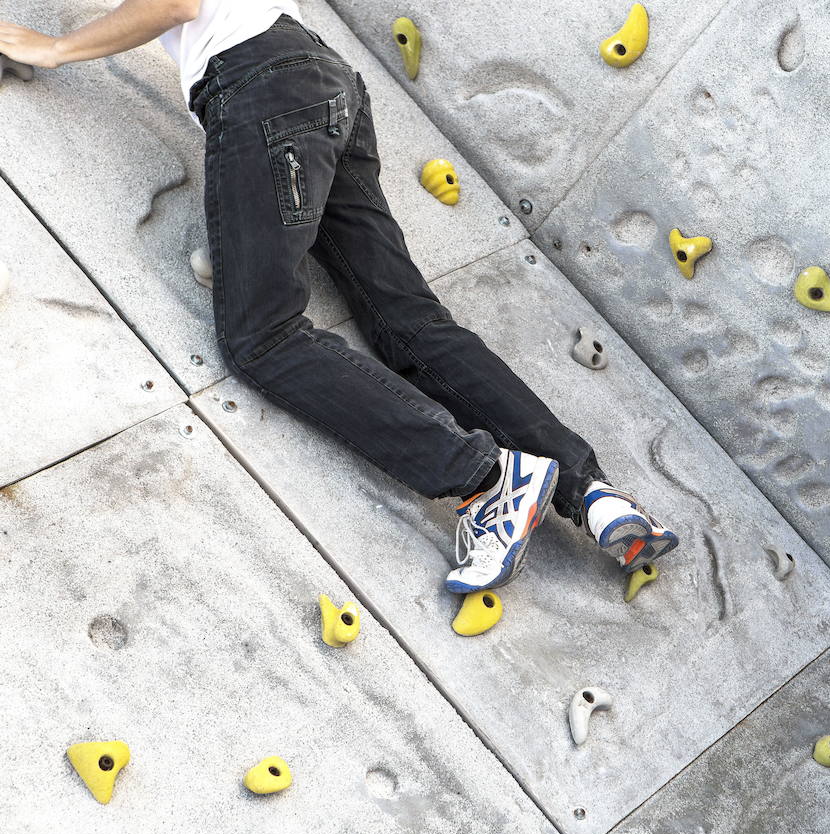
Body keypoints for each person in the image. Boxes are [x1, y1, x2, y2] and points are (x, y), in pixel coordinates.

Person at [0, 0, 678, 592]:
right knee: (408, 321)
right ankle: (591, 494)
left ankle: (484, 479)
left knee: (263, 337)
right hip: (321, 78)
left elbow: (174, 3)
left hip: (258, 87)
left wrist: (52, 47)